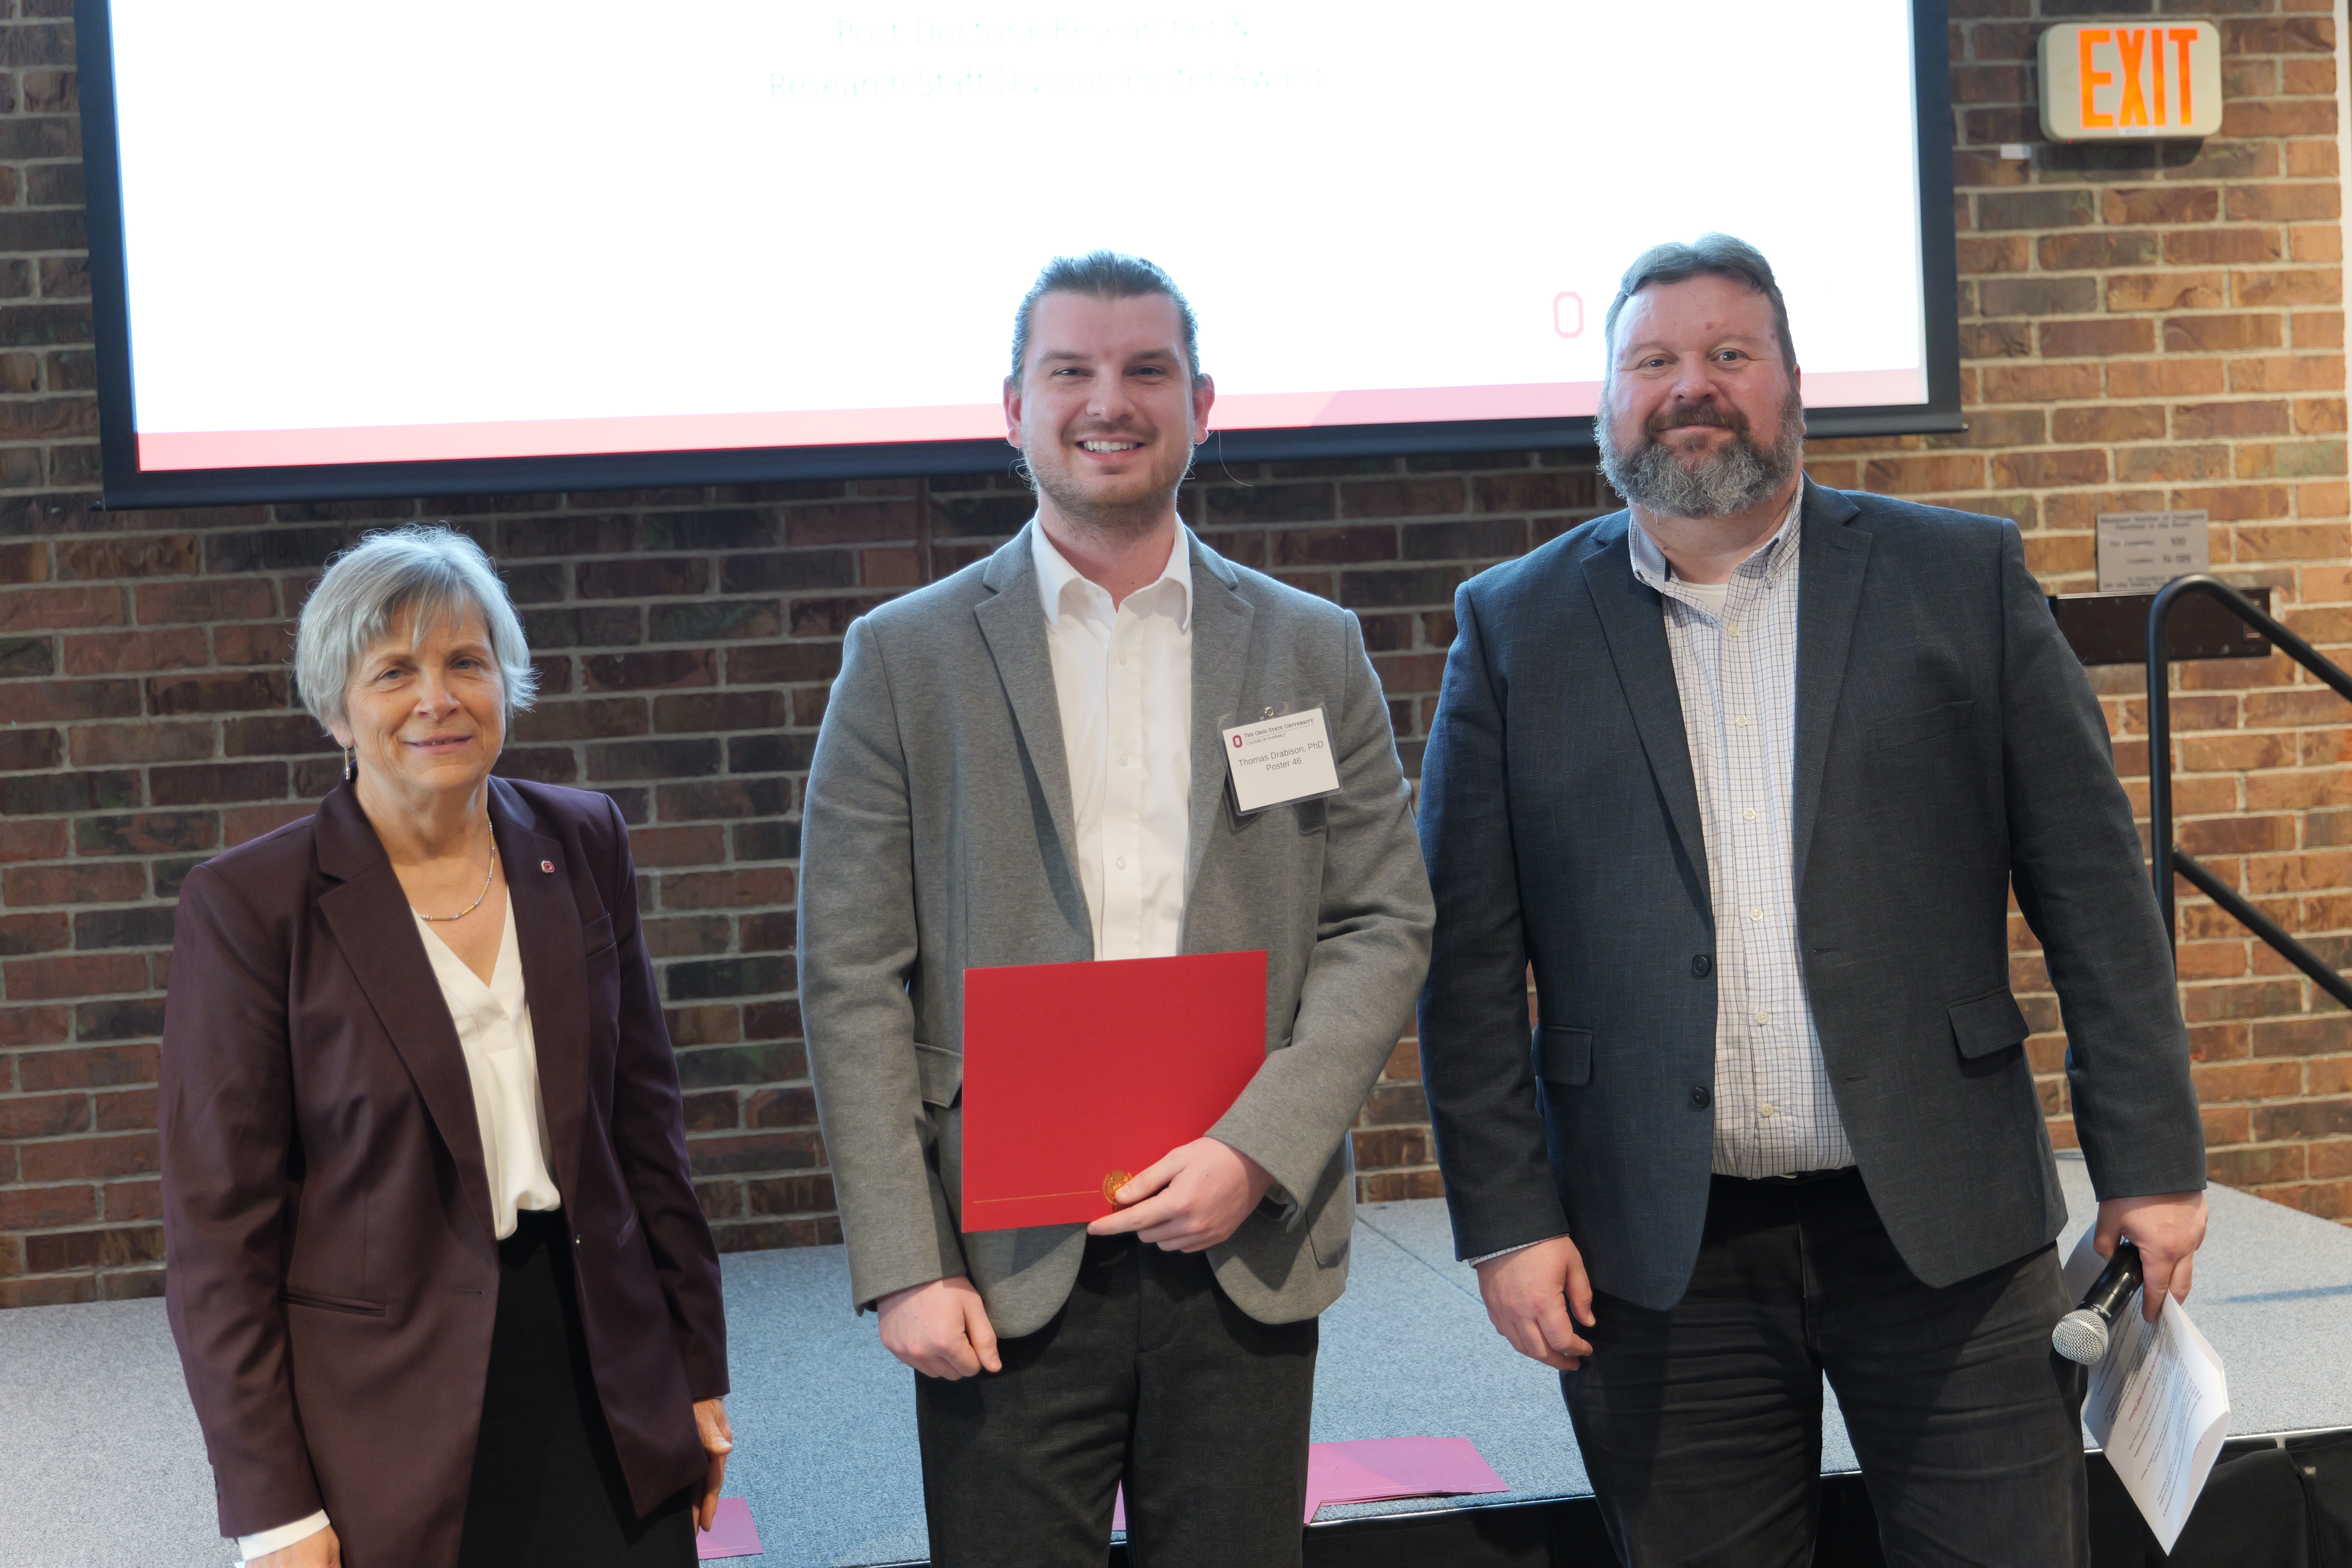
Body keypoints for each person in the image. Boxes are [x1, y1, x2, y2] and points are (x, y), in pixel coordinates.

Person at [1416, 235, 2208, 1566]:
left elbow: (2096, 895)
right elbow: (1468, 965)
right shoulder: (1514, 628)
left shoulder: (1959, 576)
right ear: (1607, 401)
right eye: (1653, 360)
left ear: (1793, 384)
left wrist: (2151, 1164)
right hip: (1658, 1252)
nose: (1692, 386)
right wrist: (1508, 1219)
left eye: (1731, 354)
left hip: (1947, 1229)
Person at [800, 251, 1433, 1568]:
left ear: (1202, 403)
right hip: (999, 1257)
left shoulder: (1310, 647)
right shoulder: (905, 658)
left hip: (1243, 1238)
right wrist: (903, 1262)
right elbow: (852, 973)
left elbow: (1382, 923)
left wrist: (1262, 1147)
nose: (1111, 400)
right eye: (1071, 371)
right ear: (1013, 407)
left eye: (1147, 370)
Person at [161, 525, 733, 1568]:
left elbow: (648, 1134)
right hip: (389, 1412)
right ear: (335, 708)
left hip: (609, 1373)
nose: (438, 699)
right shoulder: (252, 906)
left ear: (506, 683)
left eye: (467, 662)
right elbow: (217, 1242)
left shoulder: (584, 838)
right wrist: (273, 1508)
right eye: (394, 672)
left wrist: (698, 1369)